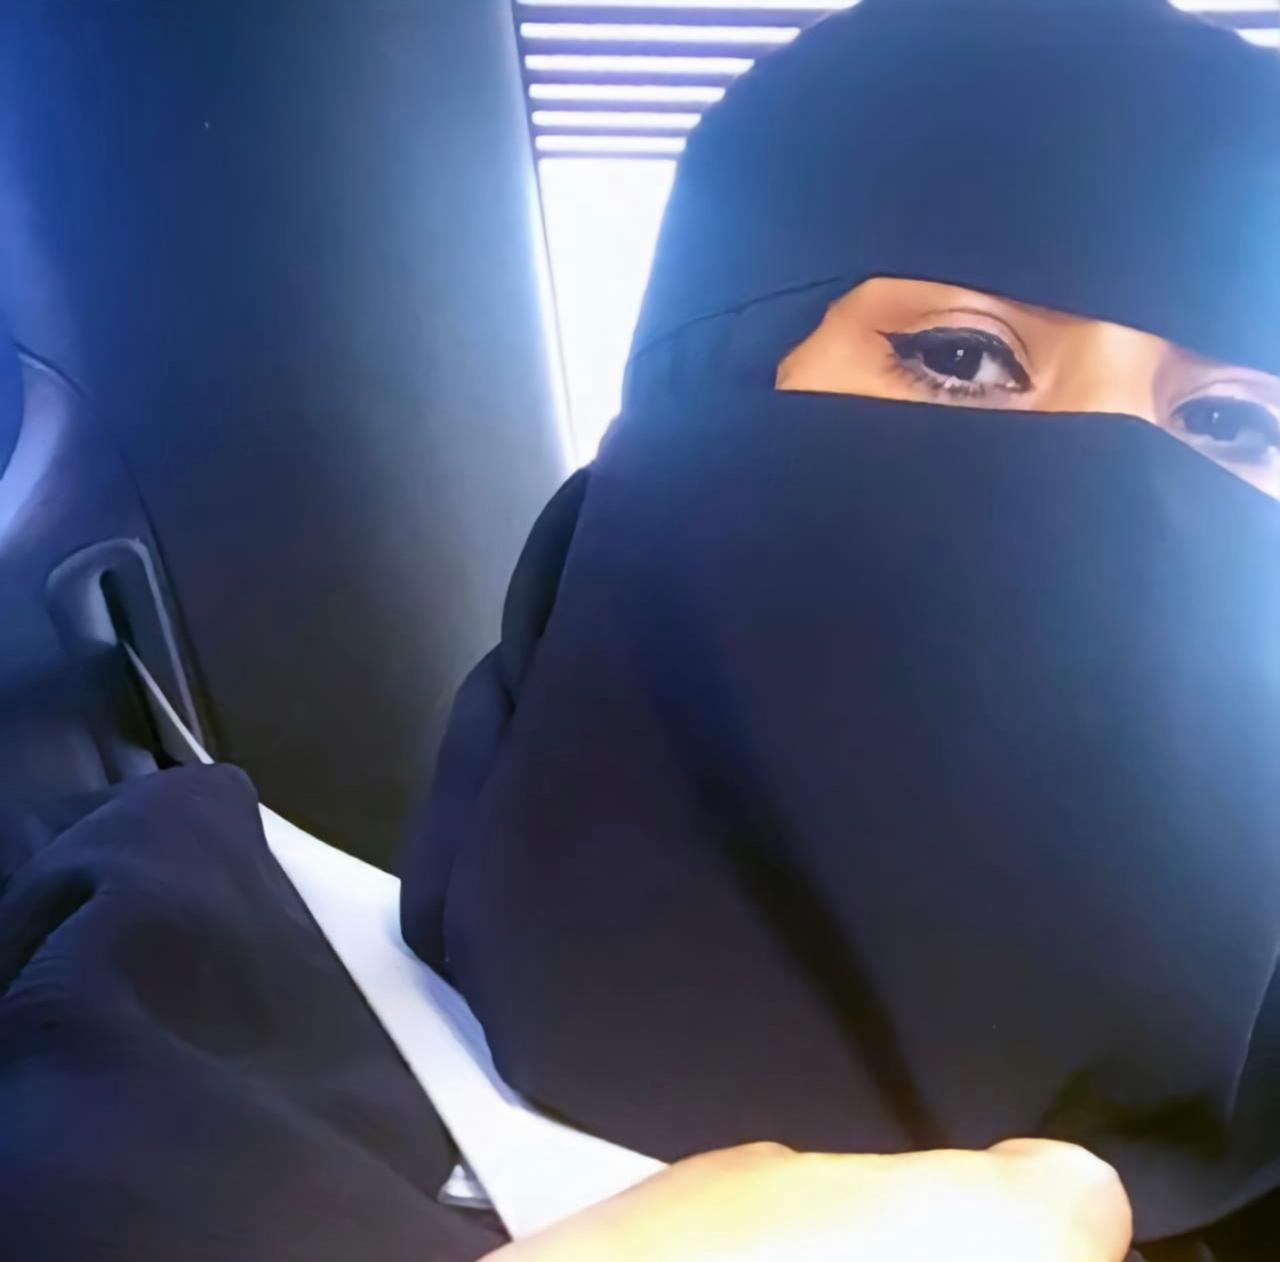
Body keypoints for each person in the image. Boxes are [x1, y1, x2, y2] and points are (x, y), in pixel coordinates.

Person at [1, 1, 1276, 1260]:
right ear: (702, 387)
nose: (1121, 479)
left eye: (1226, 423)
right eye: (959, 357)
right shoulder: (162, 981)